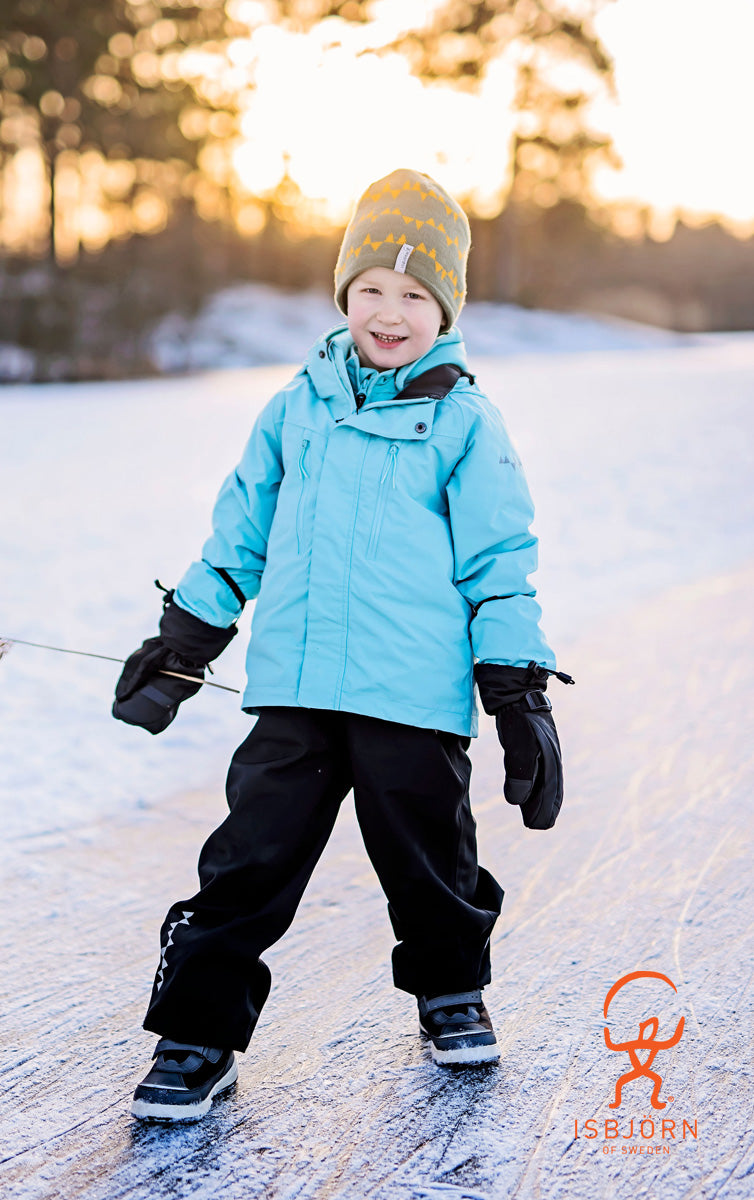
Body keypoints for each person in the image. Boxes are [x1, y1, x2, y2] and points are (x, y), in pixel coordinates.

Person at [113, 168, 571, 1123]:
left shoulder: (462, 422)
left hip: (411, 695)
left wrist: (518, 693)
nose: (389, 312)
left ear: (444, 309)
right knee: (247, 859)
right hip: (297, 688)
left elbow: (498, 562)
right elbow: (240, 532)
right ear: (343, 294)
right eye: (370, 289)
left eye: (414, 295)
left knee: (428, 858)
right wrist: (185, 638)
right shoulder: (295, 408)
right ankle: (197, 1032)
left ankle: (451, 990)